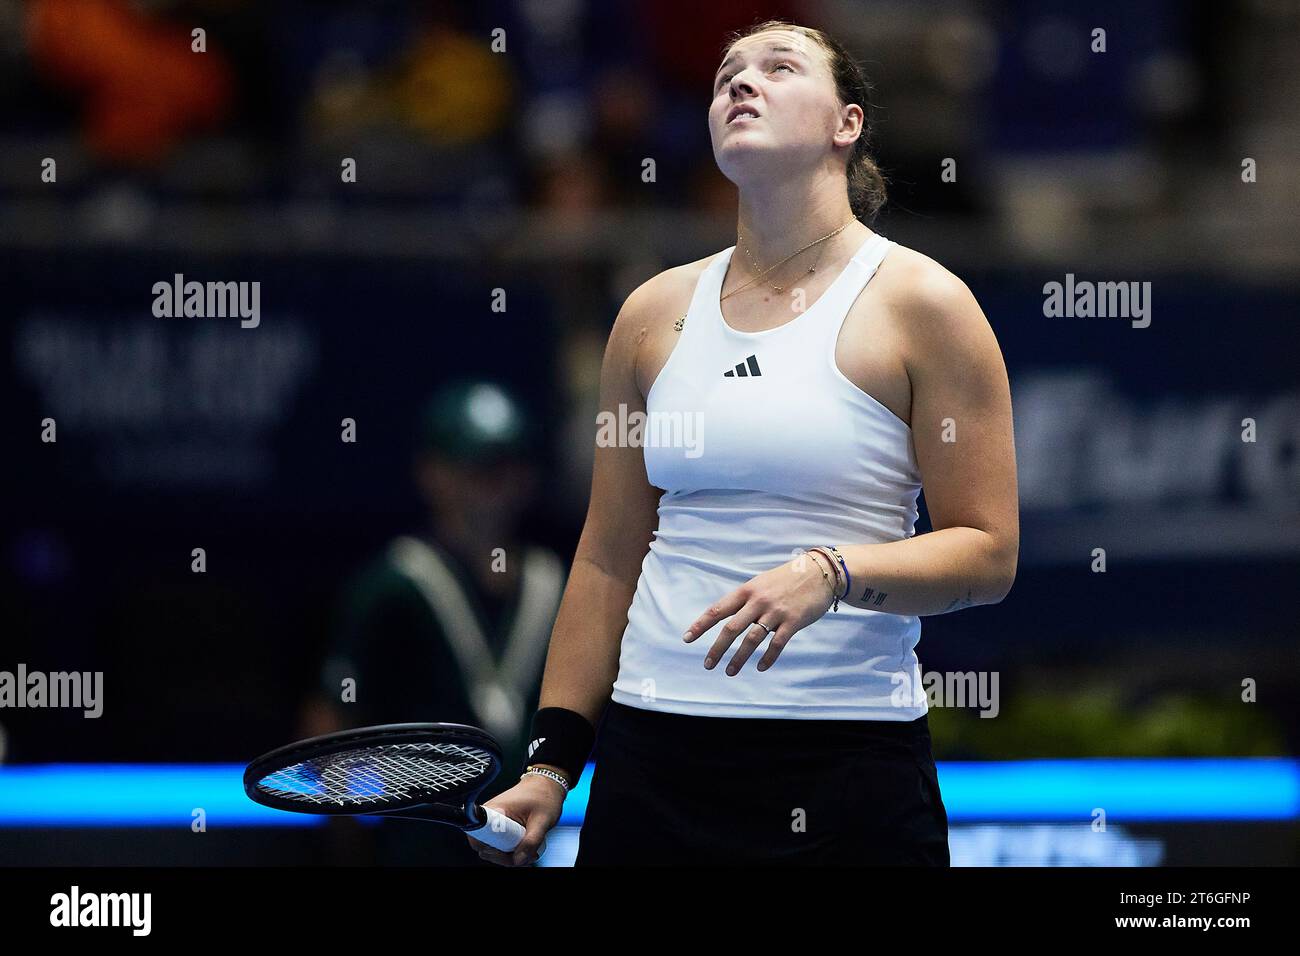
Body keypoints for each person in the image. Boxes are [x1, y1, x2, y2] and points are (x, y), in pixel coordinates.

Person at [471, 19, 1019, 867]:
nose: (740, 81)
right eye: (727, 72)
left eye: (779, 66)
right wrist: (550, 765)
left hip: (848, 768)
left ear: (848, 124)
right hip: (653, 765)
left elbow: (988, 555)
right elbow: (610, 554)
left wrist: (832, 572)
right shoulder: (651, 315)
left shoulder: (925, 304)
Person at [302, 378, 565, 865]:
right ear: (432, 473)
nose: (494, 484)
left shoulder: (556, 585)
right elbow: (331, 721)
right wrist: (349, 846)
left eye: (508, 466)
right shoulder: (391, 586)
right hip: (418, 849)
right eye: (477, 467)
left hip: (528, 845)